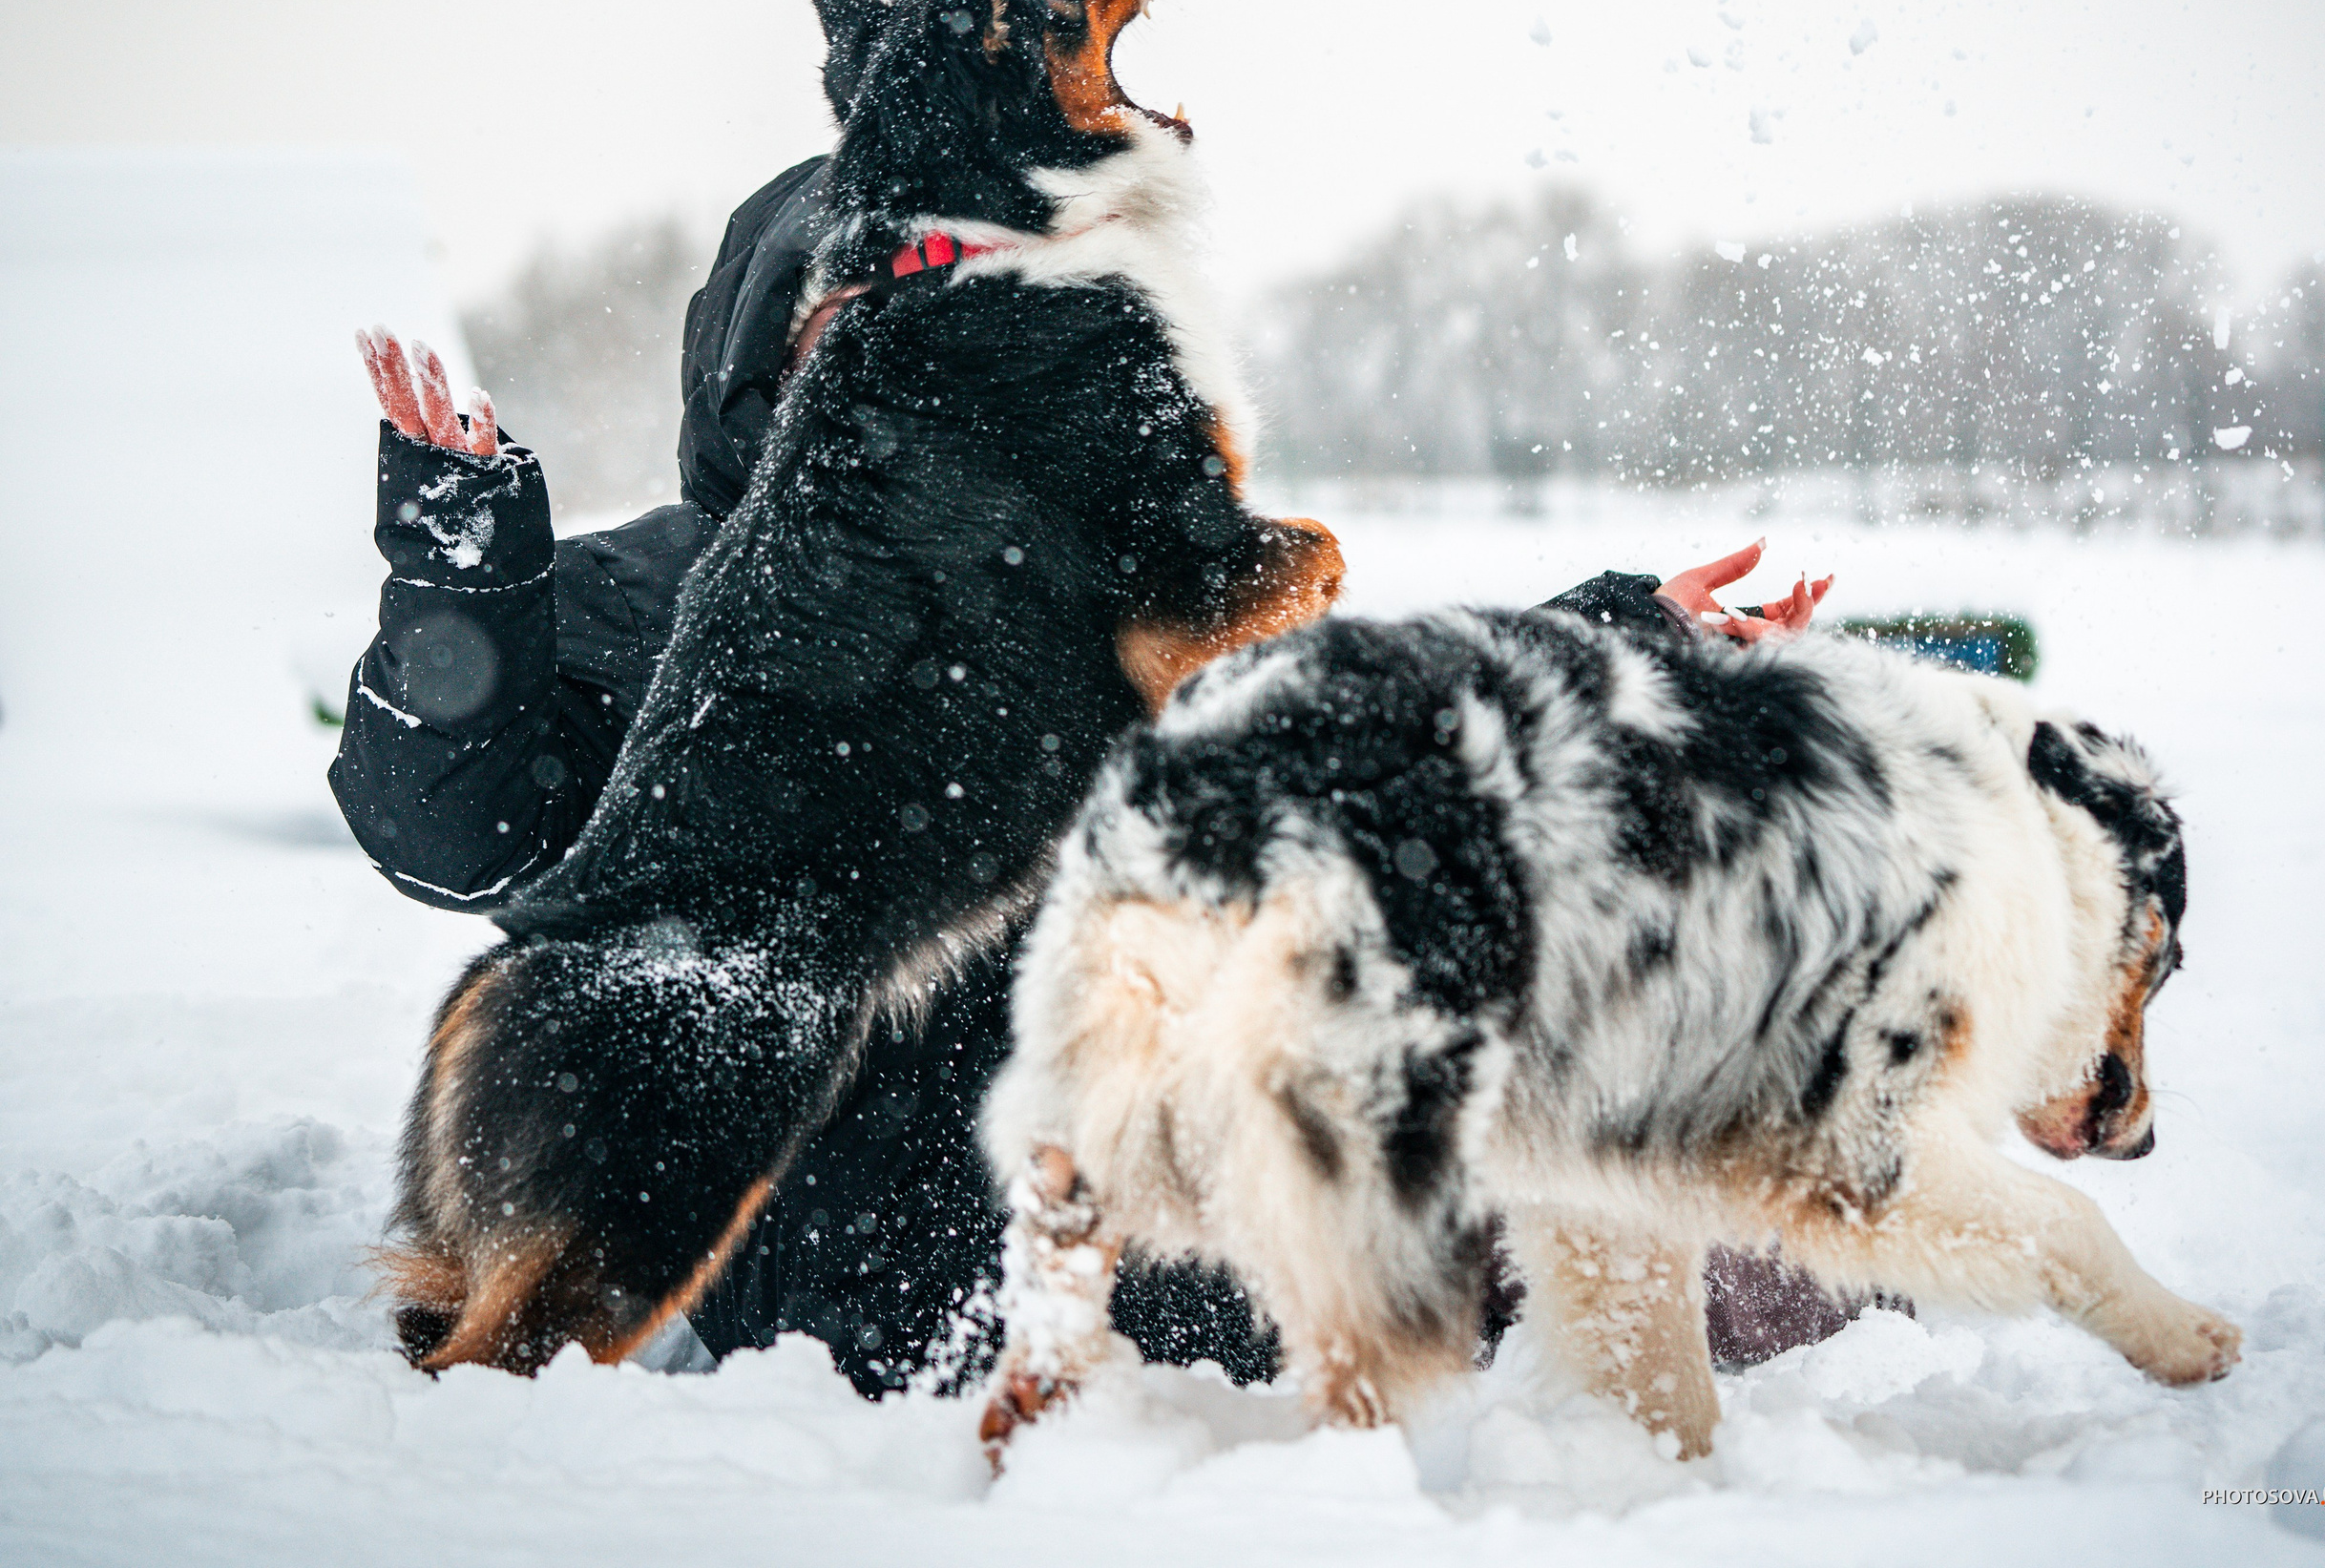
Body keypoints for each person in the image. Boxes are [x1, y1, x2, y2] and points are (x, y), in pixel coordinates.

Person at [332, 153, 1834, 1390]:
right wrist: (466, 594)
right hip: (866, 1259)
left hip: (1181, 1219)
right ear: (767, 363)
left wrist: (1617, 645)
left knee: (1706, 1167)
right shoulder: (661, 600)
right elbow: (458, 836)